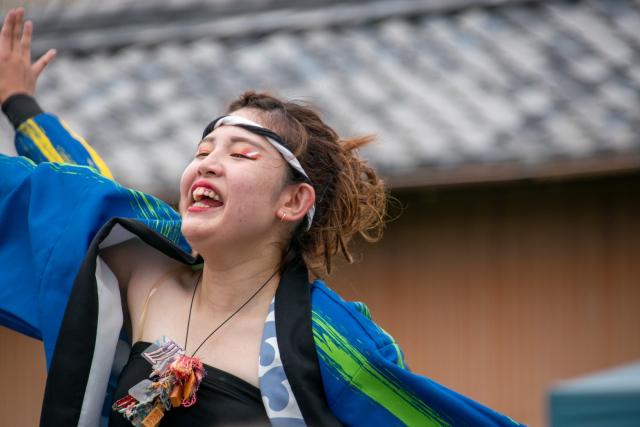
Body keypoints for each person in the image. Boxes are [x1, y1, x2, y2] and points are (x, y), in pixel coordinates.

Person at [0, 8, 523, 427]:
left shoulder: (326, 341)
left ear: (293, 201)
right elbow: (77, 197)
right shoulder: (145, 274)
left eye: (241, 154)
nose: (208, 162)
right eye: (203, 151)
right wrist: (21, 105)